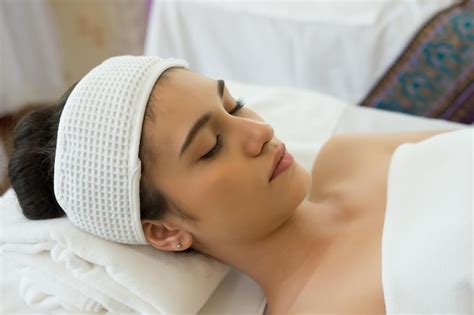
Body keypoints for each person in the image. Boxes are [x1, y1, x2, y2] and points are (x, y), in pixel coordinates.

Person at [7, 56, 459, 314]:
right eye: (209, 147)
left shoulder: (350, 157)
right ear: (164, 232)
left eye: (235, 106)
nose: (257, 132)